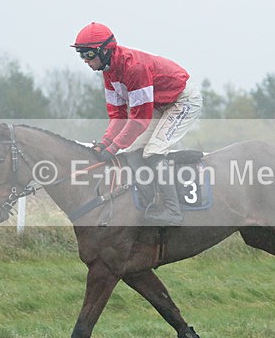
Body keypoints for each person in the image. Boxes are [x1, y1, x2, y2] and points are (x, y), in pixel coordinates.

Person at [71, 22, 202, 226]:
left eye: (88, 54)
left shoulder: (134, 68)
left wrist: (114, 147)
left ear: (104, 50)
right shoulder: (109, 72)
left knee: (153, 152)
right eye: (81, 54)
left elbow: (139, 119)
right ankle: (152, 201)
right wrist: (104, 144)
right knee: (131, 151)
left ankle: (172, 211)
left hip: (182, 101)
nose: (85, 61)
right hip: (158, 105)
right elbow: (119, 116)